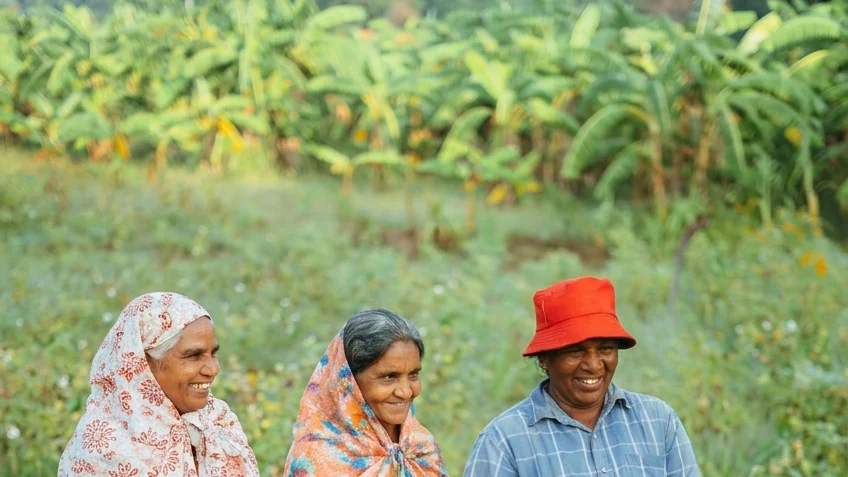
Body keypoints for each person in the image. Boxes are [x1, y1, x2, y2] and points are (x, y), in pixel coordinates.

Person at [464, 276, 701, 476]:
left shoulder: (657, 421)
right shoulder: (504, 440)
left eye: (606, 348)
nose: (593, 364)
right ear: (545, 360)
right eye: (575, 351)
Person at [58, 292, 259, 476]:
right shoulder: (105, 448)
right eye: (194, 356)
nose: (213, 369)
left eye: (213, 353)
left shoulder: (216, 423)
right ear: (142, 365)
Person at [283, 308, 448, 477]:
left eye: (413, 374)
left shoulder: (421, 447)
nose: (405, 392)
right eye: (389, 377)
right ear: (349, 381)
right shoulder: (316, 457)